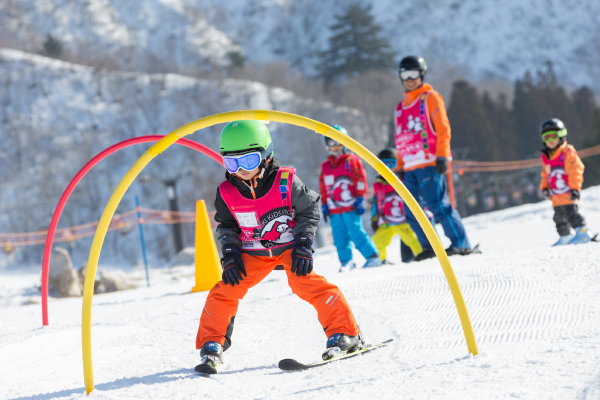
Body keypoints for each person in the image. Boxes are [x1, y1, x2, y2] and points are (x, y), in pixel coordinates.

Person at [195, 120, 365, 372]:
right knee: (226, 289)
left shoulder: (285, 182)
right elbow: (226, 227)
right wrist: (230, 254)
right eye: (232, 163)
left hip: (288, 248)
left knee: (305, 283)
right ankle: (212, 343)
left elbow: (309, 209)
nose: (241, 169)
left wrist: (304, 243)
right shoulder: (226, 192)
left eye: (249, 161)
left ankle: (345, 333)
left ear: (266, 156)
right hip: (252, 252)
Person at [394, 55, 473, 261]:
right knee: (411, 210)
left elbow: (442, 128)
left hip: (429, 162)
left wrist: (442, 155)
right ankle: (429, 246)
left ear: (422, 74)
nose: (409, 79)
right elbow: (401, 138)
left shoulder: (430, 98)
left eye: (414, 74)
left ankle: (460, 244)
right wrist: (400, 165)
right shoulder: (400, 107)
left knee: (438, 204)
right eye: (405, 74)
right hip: (409, 165)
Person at [319, 125, 382, 271]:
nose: (335, 146)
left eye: (339, 142)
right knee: (339, 236)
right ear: (327, 145)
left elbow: (360, 179)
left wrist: (360, 198)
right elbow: (323, 187)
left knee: (356, 231)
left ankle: (373, 256)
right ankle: (346, 261)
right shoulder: (326, 166)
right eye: (331, 143)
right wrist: (324, 204)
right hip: (334, 209)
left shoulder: (352, 161)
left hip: (351, 206)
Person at [538, 118, 593, 245]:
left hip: (568, 194)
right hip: (556, 196)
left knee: (572, 214)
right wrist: (544, 188)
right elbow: (545, 175)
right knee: (558, 218)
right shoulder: (547, 158)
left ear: (561, 135)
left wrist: (575, 188)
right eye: (546, 138)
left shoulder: (567, 154)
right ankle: (565, 236)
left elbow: (576, 171)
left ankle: (583, 233)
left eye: (553, 136)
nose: (550, 141)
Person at [370, 148, 423, 264]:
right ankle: (380, 261)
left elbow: (414, 195)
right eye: (383, 165)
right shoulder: (378, 185)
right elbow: (375, 203)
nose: (387, 168)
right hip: (385, 222)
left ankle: (422, 256)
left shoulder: (403, 180)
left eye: (391, 163)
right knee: (377, 242)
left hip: (402, 220)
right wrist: (374, 219)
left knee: (412, 239)